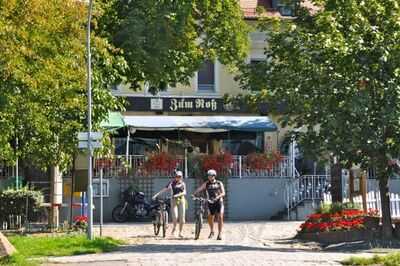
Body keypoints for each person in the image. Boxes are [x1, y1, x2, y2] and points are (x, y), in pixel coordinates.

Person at [192, 169, 225, 240]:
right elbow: (200, 189)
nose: (209, 177)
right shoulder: (207, 183)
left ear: (214, 176)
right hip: (210, 202)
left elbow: (223, 193)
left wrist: (217, 197)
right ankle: (212, 231)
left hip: (219, 202)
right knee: (210, 217)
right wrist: (194, 194)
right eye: (208, 176)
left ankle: (219, 234)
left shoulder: (219, 183)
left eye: (211, 176)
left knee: (220, 217)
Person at [152, 170, 186, 238]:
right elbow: (164, 189)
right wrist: (156, 195)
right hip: (173, 201)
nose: (178, 178)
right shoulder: (171, 183)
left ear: (181, 177)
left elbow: (184, 192)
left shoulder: (183, 184)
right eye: (176, 176)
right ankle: (174, 228)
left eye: (179, 176)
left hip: (181, 200)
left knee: (182, 219)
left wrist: (177, 195)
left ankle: (180, 232)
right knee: (175, 217)